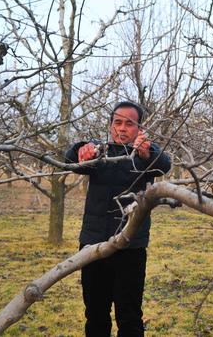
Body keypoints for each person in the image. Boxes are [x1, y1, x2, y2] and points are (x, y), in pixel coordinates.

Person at [65, 101, 171, 337]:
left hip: (130, 247)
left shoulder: (145, 157)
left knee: (130, 317)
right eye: (117, 122)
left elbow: (165, 165)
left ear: (139, 128)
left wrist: (148, 152)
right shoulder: (99, 153)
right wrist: (82, 149)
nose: (122, 129)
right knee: (95, 315)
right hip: (93, 246)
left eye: (129, 124)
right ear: (111, 125)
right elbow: (71, 157)